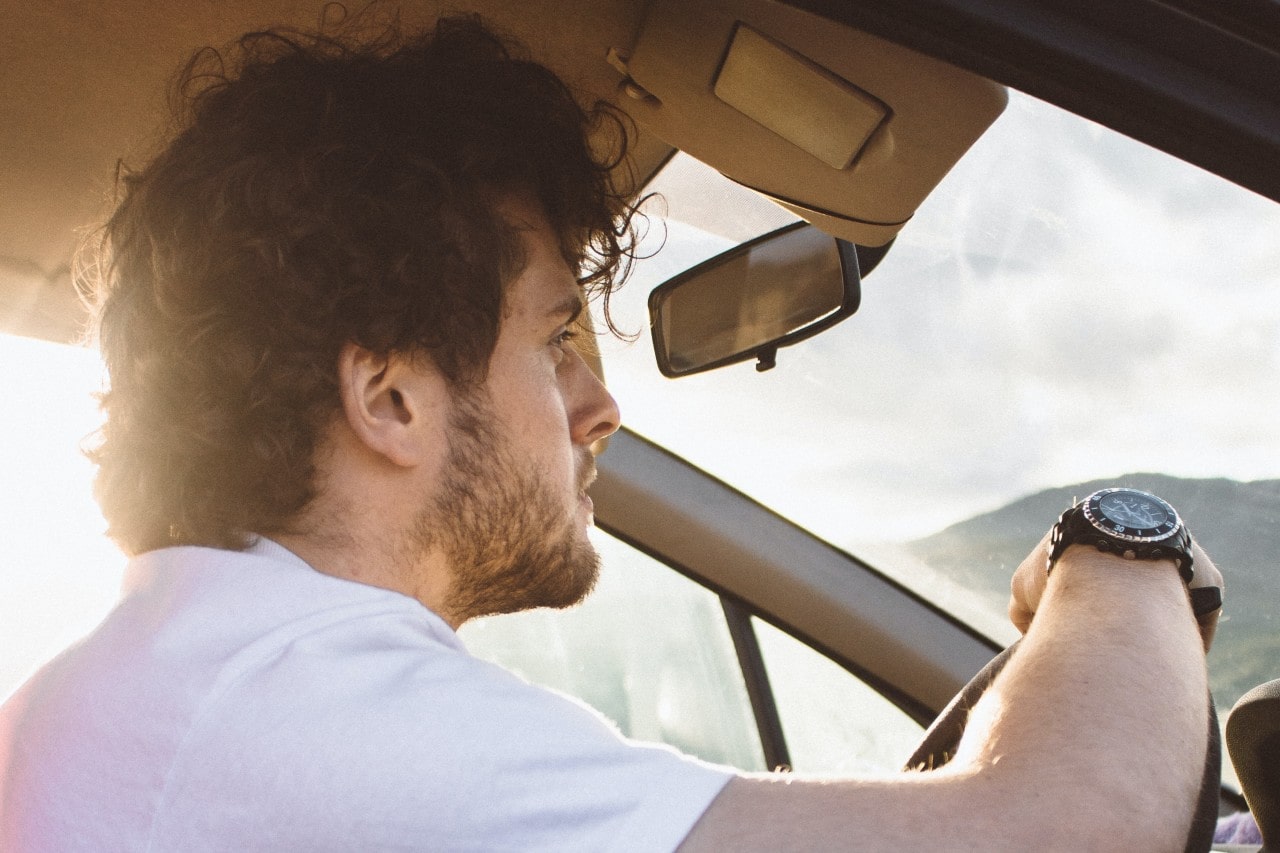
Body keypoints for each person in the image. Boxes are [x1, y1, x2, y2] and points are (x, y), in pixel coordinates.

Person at [0, 12, 1224, 852]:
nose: (601, 410)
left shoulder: (206, 669)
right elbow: (1062, 832)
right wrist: (1118, 554)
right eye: (554, 344)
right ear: (390, 400)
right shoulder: (286, 698)